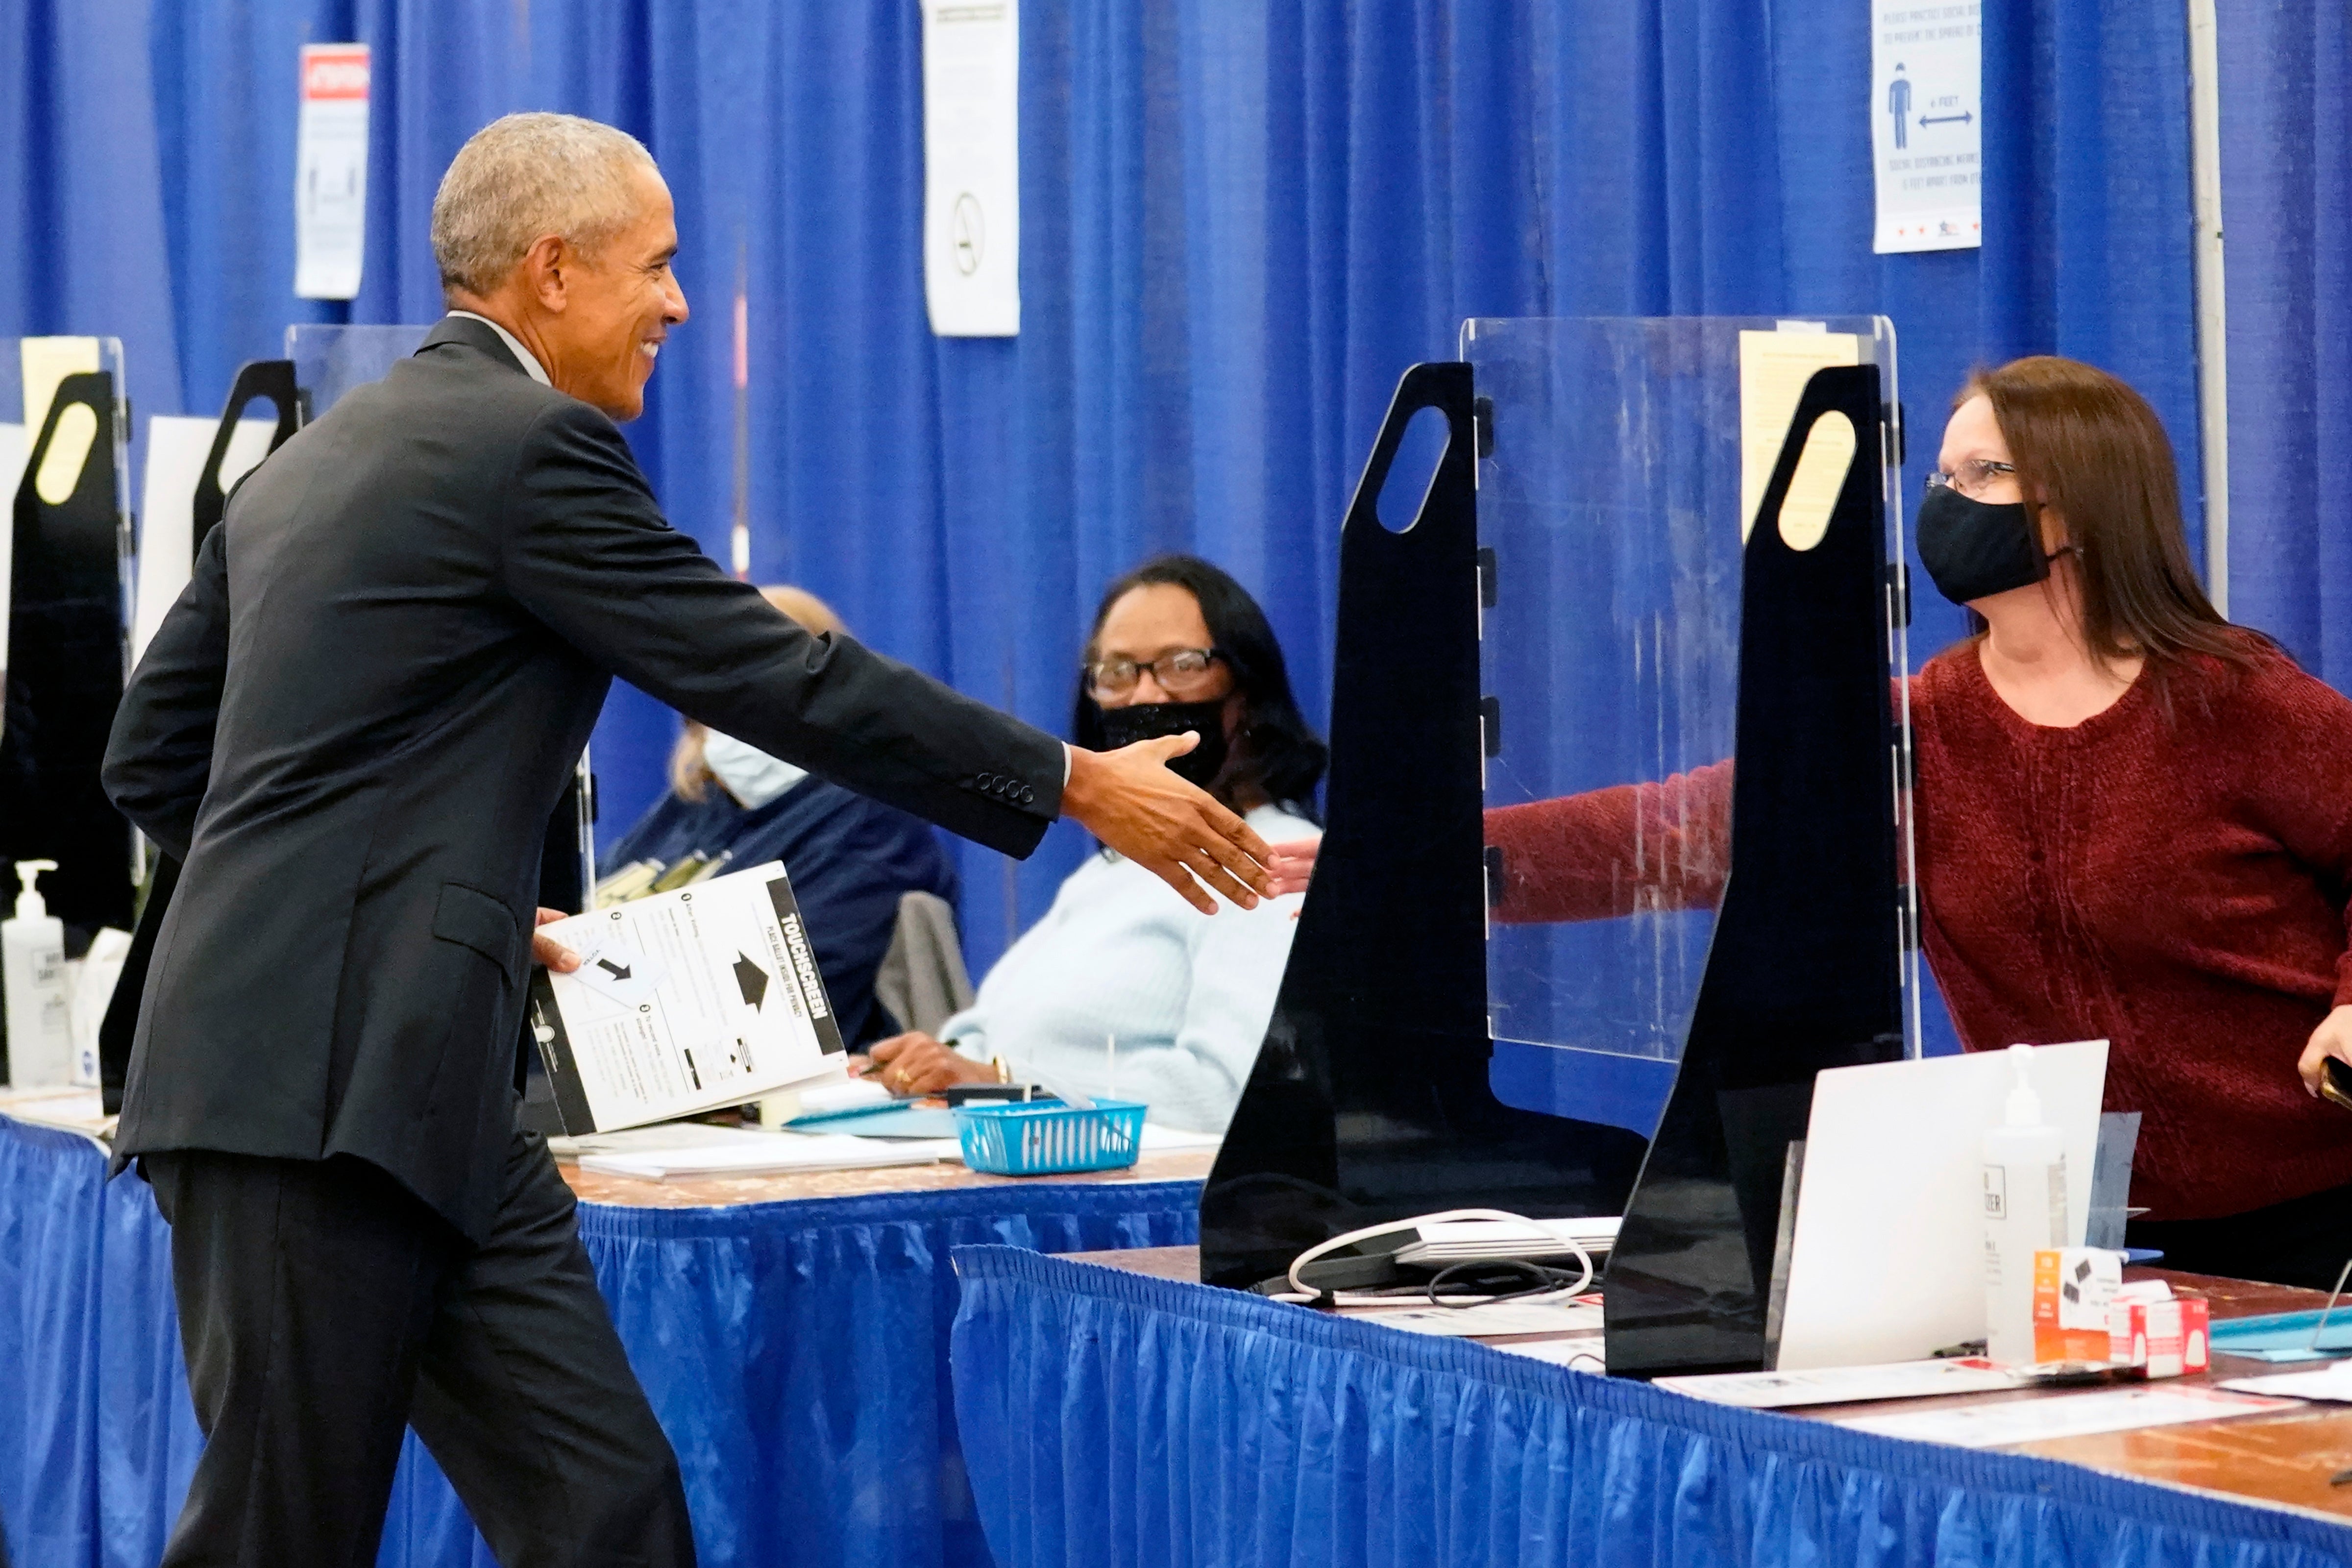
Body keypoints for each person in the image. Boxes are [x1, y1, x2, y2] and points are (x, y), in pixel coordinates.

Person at [101, 113, 1269, 1568]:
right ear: (550, 272)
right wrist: (1073, 782)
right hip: (304, 1087)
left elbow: (153, 755)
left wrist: (418, 900)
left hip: (430, 1083)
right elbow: (787, 676)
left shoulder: (313, 460)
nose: (680, 302)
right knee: (284, 1535)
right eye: (654, 266)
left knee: (609, 1513)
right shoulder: (531, 448)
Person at [1271, 356, 2352, 1290]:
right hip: (2078, 1243)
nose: (1947, 500)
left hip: (2319, 1221)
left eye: (1987, 475)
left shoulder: (2231, 701)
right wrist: (1400, 862)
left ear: (2085, 504)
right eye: (1939, 475)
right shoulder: (1912, 730)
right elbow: (1668, 833)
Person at [864, 556, 1324, 1132]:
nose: (1142, 696)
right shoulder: (1108, 872)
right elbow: (988, 1035)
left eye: (1183, 665)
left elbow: (1232, 1093)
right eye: (1116, 672)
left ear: (1250, 694)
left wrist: (1006, 1084)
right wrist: (912, 1067)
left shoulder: (1278, 864)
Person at [598, 585, 958, 1046]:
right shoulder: (686, 810)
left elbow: (779, 1004)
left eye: (755, 672)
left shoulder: (871, 825)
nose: (729, 696)